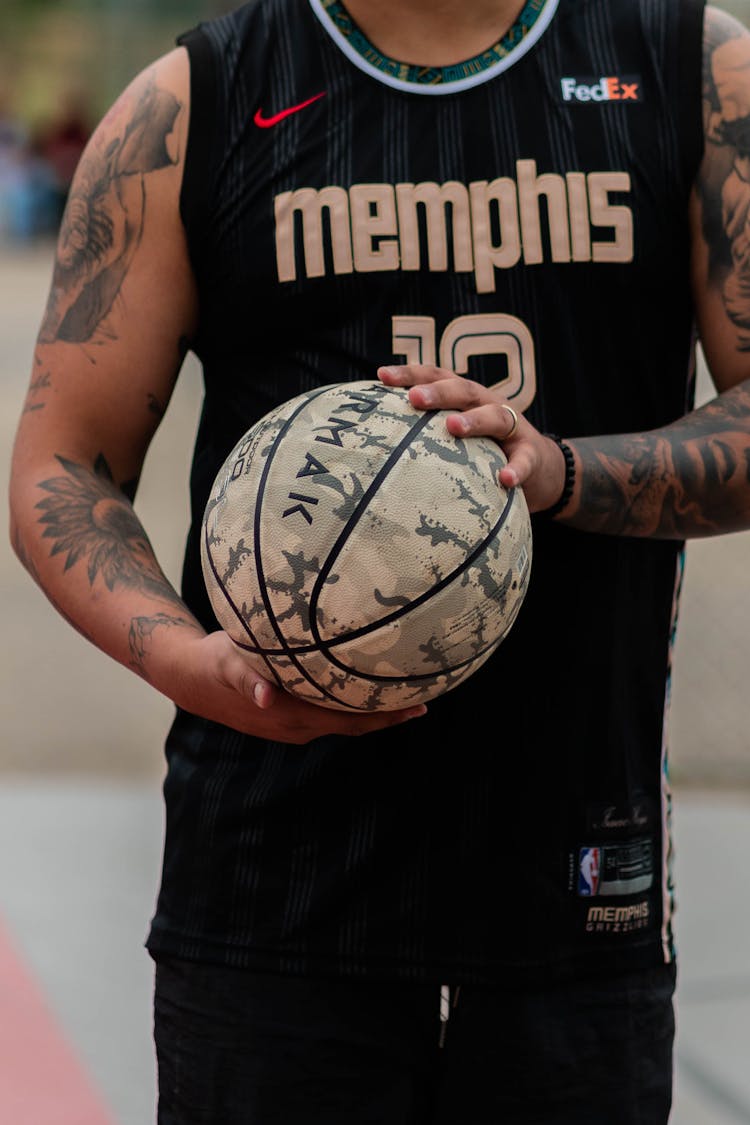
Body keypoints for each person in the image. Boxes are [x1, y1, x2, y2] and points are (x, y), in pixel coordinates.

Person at [8, 0, 750, 1121]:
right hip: (271, 899)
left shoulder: (690, 66)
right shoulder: (193, 100)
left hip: (576, 891)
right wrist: (178, 658)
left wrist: (556, 474)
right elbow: (64, 463)